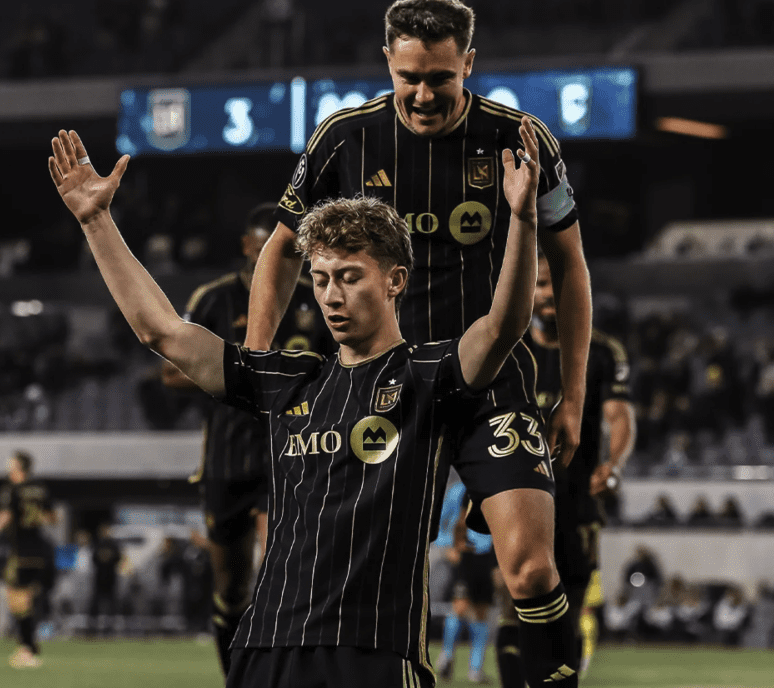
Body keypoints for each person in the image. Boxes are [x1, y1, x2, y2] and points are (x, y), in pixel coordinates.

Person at [50, 118, 540, 687]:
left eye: (350, 277)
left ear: (395, 280)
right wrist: (96, 221)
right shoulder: (287, 381)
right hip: (267, 647)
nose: (331, 295)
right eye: (322, 278)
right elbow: (162, 331)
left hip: (374, 650)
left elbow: (502, 327)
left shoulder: (429, 375)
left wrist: (523, 220)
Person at [247, 3, 592, 683]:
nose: (425, 94)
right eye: (410, 77)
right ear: (387, 63)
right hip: (381, 391)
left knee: (531, 568)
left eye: (441, 77)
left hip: (486, 378)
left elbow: (571, 265)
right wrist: (261, 365)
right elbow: (282, 249)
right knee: (364, 578)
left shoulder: (521, 140)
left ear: (469, 63)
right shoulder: (345, 138)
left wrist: (573, 393)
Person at [161, 202, 333, 676]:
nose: (270, 261)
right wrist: (233, 374)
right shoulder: (214, 299)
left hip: (291, 455)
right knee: (232, 589)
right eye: (262, 250)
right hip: (227, 459)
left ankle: (288, 673)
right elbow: (170, 372)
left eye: (285, 252)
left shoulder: (316, 299)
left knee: (284, 577)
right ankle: (234, 677)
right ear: (246, 247)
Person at [490, 254, 633, 685]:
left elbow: (620, 417)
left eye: (556, 283)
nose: (548, 294)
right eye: (540, 284)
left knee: (566, 615)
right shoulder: (507, 350)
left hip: (577, 502)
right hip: (513, 501)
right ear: (526, 292)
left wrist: (613, 465)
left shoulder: (601, 352)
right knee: (512, 604)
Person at [435, 478, 498, 684]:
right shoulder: (458, 491)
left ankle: (475, 669)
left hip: (487, 556)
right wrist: (448, 546)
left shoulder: (495, 487)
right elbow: (442, 520)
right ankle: (446, 657)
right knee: (460, 607)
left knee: (481, 612)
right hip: (465, 553)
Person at [0, 451, 56, 669]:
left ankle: (28, 649)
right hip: (40, 550)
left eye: (11, 464)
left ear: (19, 467)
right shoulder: (40, 489)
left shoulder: (13, 490)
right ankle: (29, 647)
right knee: (27, 599)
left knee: (16, 599)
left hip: (20, 551)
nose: (8, 467)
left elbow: (5, 516)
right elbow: (52, 518)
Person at [88, 522, 122, 638]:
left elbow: (118, 558)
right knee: (95, 605)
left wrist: (106, 557)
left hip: (111, 579)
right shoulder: (97, 544)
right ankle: (91, 629)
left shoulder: (114, 545)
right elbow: (94, 559)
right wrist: (104, 557)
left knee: (112, 605)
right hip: (99, 579)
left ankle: (110, 629)